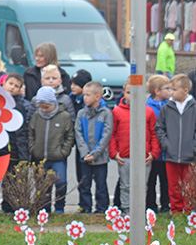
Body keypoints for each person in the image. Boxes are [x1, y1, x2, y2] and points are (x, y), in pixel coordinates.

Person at [109, 78, 160, 214]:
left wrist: (153, 153)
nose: (132, 95)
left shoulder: (148, 112)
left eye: (135, 92)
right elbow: (112, 134)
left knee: (142, 186)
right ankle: (126, 211)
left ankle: (139, 211)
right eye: (128, 92)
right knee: (125, 185)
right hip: (124, 157)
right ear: (124, 93)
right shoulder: (117, 111)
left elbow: (154, 134)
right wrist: (114, 153)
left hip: (143, 157)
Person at [28, 86, 75, 214]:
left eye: (46, 107)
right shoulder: (37, 116)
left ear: (53, 103)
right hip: (40, 158)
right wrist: (33, 149)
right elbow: (31, 132)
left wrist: (63, 152)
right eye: (41, 107)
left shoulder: (64, 116)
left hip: (57, 158)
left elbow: (69, 136)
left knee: (61, 182)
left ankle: (60, 207)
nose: (44, 110)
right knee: (42, 185)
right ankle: (45, 208)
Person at [155, 74, 196, 214]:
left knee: (190, 186)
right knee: (173, 186)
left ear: (185, 90)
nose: (171, 92)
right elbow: (159, 128)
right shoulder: (167, 108)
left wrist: (193, 146)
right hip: (171, 155)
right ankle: (177, 212)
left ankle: (190, 213)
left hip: (190, 156)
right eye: (170, 89)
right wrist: (166, 144)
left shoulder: (194, 107)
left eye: (174, 89)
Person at [75, 81, 113, 214]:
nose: (85, 98)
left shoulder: (106, 113)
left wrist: (95, 154)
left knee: (101, 185)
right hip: (85, 158)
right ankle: (85, 207)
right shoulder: (81, 114)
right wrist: (85, 153)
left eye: (88, 95)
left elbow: (106, 136)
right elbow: (78, 134)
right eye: (84, 95)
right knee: (84, 184)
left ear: (98, 97)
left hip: (100, 158)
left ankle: (102, 209)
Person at [0, 72, 28, 212]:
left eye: (16, 86)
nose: (12, 88)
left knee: (10, 179)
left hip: (12, 148)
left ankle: (9, 205)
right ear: (4, 84)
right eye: (10, 84)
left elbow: (21, 132)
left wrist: (23, 156)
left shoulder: (19, 105)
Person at [146, 75, 171, 212]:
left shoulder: (170, 106)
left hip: (167, 151)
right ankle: (150, 205)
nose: (169, 91)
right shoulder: (148, 108)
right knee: (151, 180)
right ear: (157, 91)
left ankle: (165, 205)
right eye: (167, 88)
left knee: (166, 181)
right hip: (153, 152)